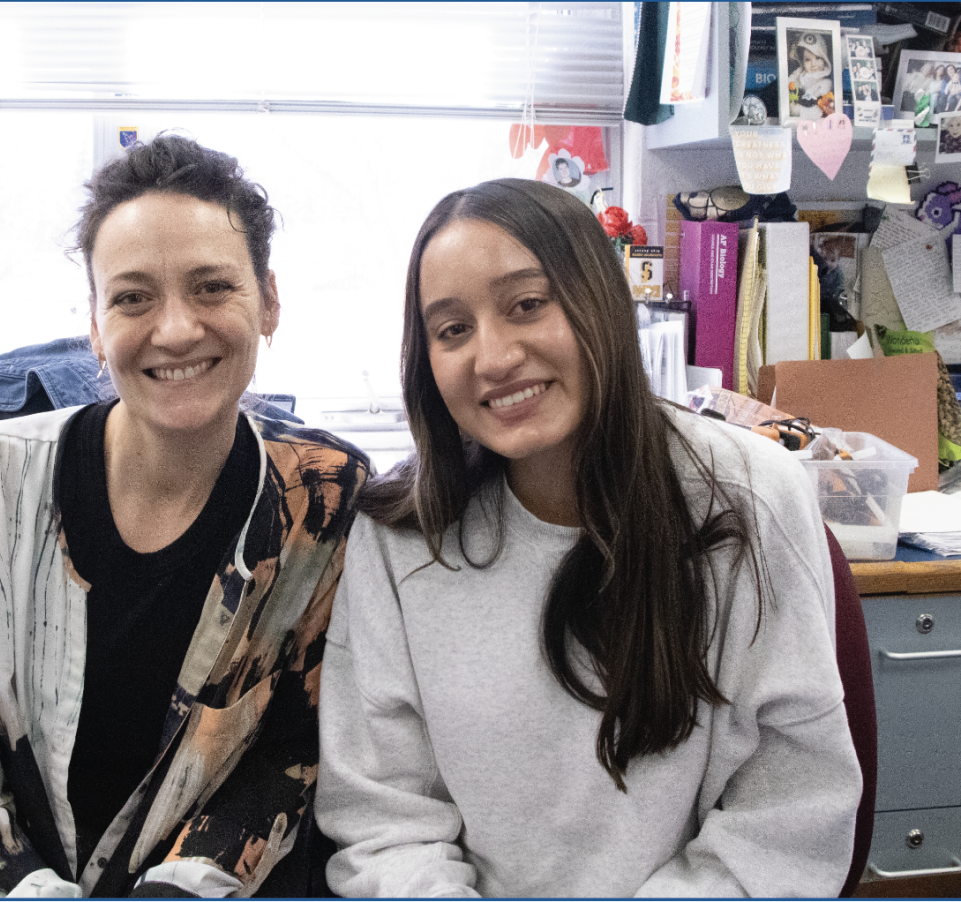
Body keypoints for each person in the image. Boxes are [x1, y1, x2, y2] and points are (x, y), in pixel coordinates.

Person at [0, 134, 369, 897]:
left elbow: (288, 753)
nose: (176, 328)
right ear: (94, 322)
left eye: (213, 286)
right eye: (132, 297)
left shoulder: (323, 497)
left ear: (269, 301)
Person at [315, 179, 863, 897]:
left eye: (528, 305)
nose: (493, 356)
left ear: (601, 299)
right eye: (452, 330)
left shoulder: (750, 495)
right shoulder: (402, 533)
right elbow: (384, 819)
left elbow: (788, 816)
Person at [788, 31, 834, 119]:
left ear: (824, 59)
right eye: (807, 60)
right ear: (802, 62)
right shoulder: (801, 77)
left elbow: (820, 96)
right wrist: (798, 72)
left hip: (817, 112)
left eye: (817, 58)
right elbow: (788, 84)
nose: (813, 64)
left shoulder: (826, 82)